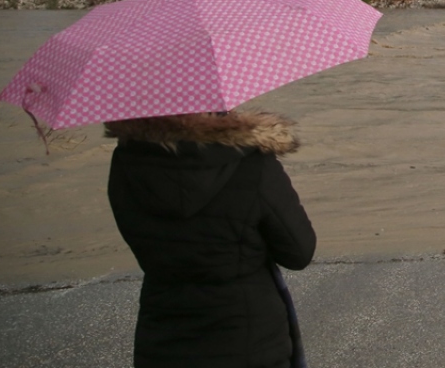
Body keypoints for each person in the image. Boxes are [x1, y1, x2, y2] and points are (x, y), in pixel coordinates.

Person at [106, 111, 316, 368]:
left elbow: (137, 234)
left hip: (162, 339)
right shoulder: (252, 162)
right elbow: (298, 252)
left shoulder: (128, 161)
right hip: (250, 341)